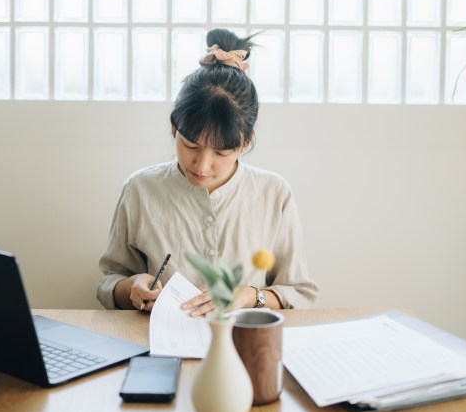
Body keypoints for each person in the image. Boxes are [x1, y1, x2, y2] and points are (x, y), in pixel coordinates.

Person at [97, 29, 318, 316]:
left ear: (245, 142)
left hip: (244, 343)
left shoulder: (274, 194)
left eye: (222, 153)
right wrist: (132, 288)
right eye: (190, 145)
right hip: (157, 341)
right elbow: (109, 281)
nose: (201, 166)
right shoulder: (140, 189)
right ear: (174, 127)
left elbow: (299, 292)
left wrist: (248, 296)